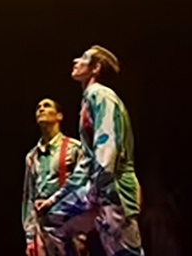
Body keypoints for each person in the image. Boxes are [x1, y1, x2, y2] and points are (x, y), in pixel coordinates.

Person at [39, 47, 144, 256]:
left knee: (123, 251)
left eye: (83, 59)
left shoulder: (101, 96)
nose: (76, 60)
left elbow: (108, 144)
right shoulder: (88, 102)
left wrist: (98, 188)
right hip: (97, 188)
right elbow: (86, 162)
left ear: (95, 69)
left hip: (114, 188)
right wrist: (55, 199)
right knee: (53, 219)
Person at [23, 98, 88, 256]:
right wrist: (30, 236)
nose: (41, 109)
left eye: (47, 106)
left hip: (67, 225)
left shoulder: (74, 149)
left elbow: (84, 189)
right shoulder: (32, 156)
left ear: (59, 116)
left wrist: (81, 232)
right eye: (38, 107)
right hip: (42, 228)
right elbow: (29, 197)